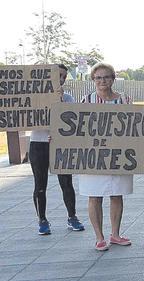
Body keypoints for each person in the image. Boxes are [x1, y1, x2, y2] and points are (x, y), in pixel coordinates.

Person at [78, 63, 133, 251]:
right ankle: (99, 237)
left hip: (118, 155)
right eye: (98, 77)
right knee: (95, 195)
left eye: (106, 77)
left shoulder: (125, 100)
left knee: (117, 194)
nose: (103, 81)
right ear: (93, 80)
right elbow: (76, 127)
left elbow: (134, 125)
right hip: (93, 156)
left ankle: (115, 234)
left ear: (113, 79)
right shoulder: (86, 100)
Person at [29, 63, 84, 235]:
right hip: (39, 143)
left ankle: (72, 217)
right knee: (40, 184)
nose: (61, 79)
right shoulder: (34, 97)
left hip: (60, 144)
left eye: (64, 77)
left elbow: (73, 122)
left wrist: (58, 100)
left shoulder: (67, 98)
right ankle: (42, 220)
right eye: (58, 75)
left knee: (66, 182)